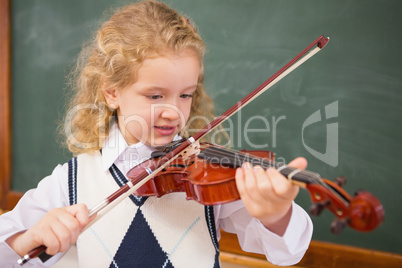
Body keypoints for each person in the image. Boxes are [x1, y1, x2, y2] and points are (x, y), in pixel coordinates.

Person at [0, 1, 313, 267]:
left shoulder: (205, 179)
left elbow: (288, 252)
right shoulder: (70, 180)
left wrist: (277, 215)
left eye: (186, 95)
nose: (174, 112)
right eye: (155, 96)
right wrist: (28, 237)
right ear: (111, 92)